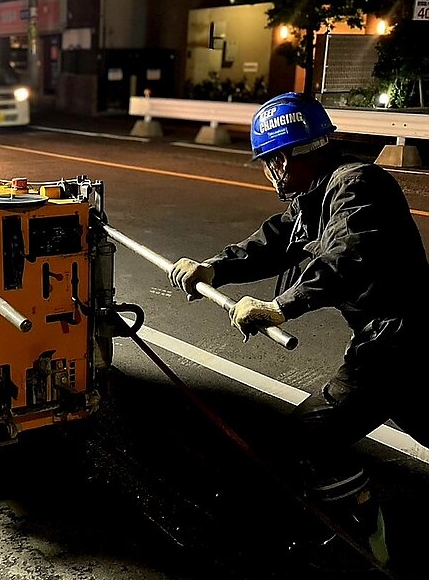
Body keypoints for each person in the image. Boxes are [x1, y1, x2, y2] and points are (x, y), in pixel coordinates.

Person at [168, 92, 429, 566]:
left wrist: (280, 307)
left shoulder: (357, 185)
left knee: (308, 437)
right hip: (399, 340)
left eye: (271, 161)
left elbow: (347, 257)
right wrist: (211, 269)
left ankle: (365, 527)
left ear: (288, 159)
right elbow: (269, 243)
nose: (270, 173)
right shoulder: (314, 197)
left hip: (399, 339)